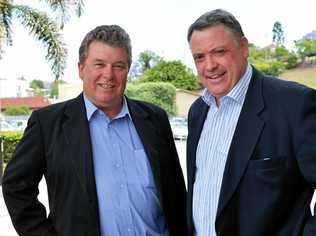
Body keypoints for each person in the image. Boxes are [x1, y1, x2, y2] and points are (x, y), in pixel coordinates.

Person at [2, 25, 187, 236]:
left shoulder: (155, 119)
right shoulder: (48, 123)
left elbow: (176, 192)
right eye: (99, 64)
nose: (108, 75)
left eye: (118, 66)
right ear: (81, 68)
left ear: (128, 69)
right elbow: (15, 187)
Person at [186, 9, 316, 236]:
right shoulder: (197, 112)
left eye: (218, 52)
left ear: (244, 48)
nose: (209, 65)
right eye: (199, 57)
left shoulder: (294, 104)